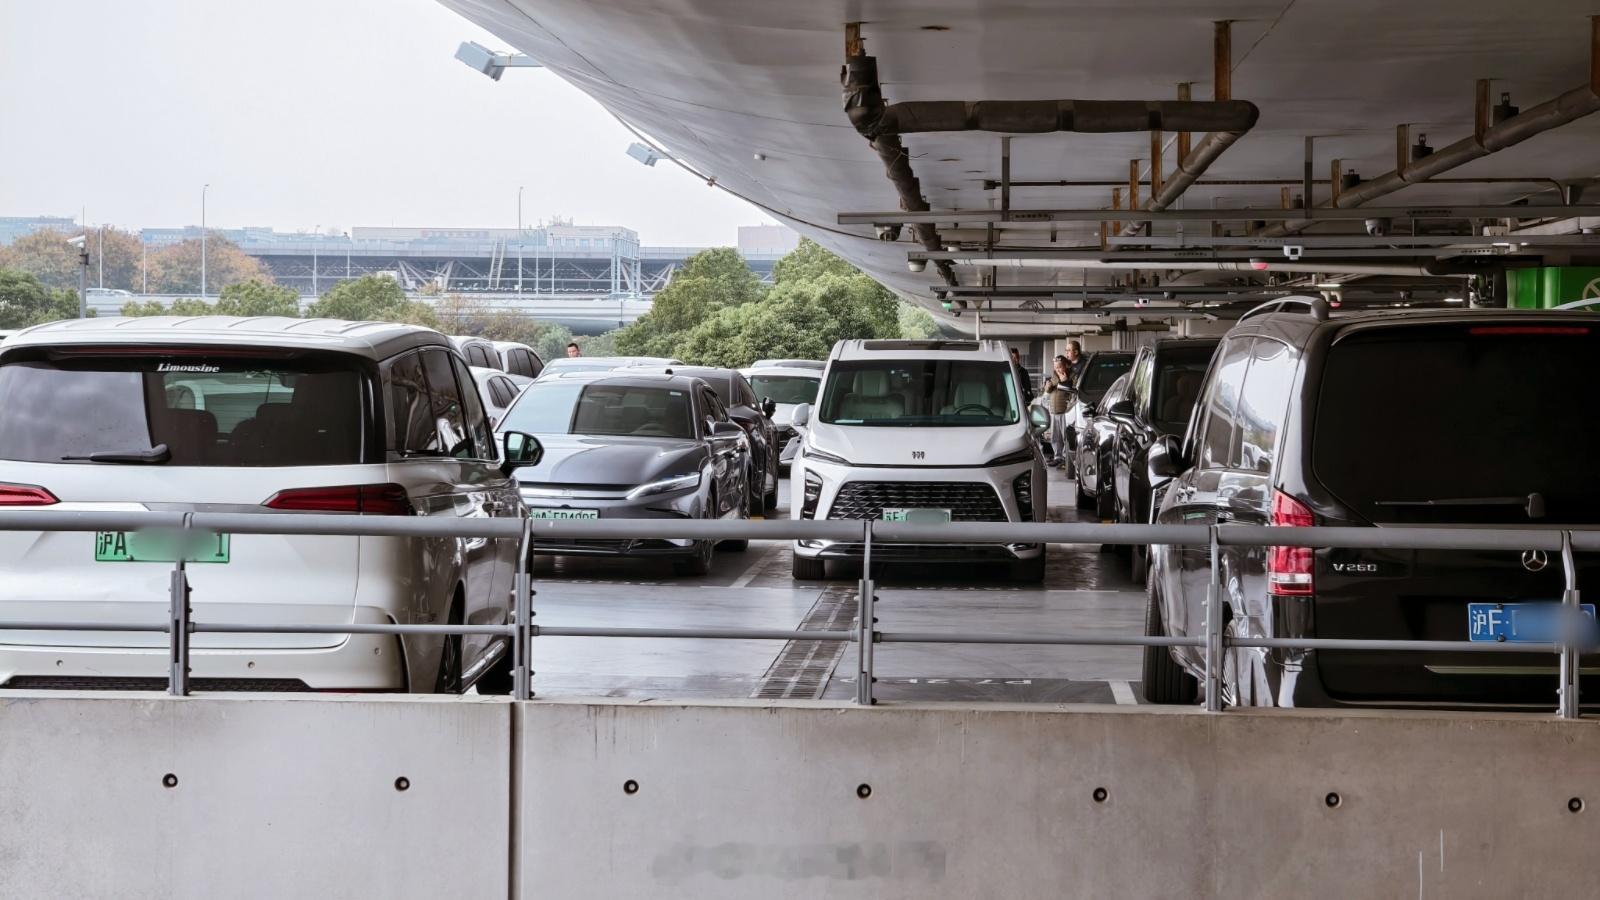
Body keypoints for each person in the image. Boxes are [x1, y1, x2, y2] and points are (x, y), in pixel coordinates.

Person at [1041, 354, 1074, 468]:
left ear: (1065, 366)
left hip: (1065, 411)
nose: (1057, 370)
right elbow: (1047, 391)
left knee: (1065, 436)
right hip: (1054, 411)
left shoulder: (1070, 377)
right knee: (1055, 437)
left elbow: (1071, 391)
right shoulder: (1053, 378)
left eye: (1060, 367)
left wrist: (1064, 381)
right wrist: (1048, 386)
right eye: (1055, 367)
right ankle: (1057, 456)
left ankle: (1065, 457)